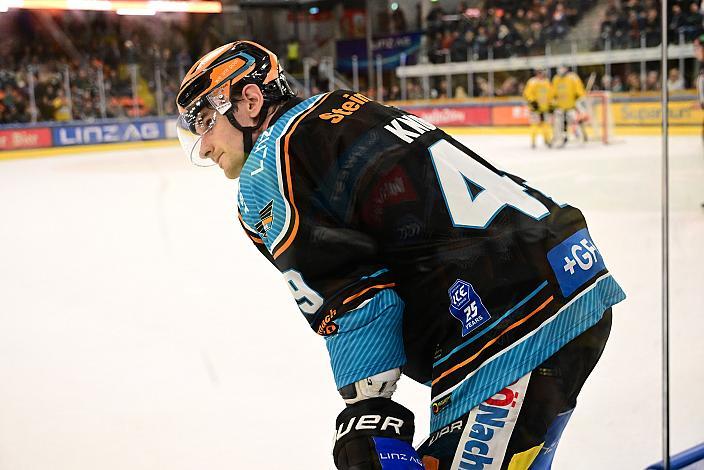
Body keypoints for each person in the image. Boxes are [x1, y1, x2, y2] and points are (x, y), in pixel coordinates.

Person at [176, 41, 626, 470]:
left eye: (205, 124)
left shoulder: (268, 164)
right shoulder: (344, 107)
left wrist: (368, 408)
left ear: (250, 101)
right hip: (567, 272)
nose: (205, 146)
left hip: (509, 321)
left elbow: (348, 292)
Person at [551, 65, 587, 147]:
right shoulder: (556, 79)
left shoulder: (573, 78)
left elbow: (579, 91)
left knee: (575, 122)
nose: (560, 70)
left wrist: (580, 98)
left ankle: (581, 137)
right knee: (558, 124)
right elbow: (553, 93)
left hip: (571, 106)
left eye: (562, 68)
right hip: (560, 107)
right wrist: (553, 102)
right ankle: (560, 139)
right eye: (559, 69)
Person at [522, 68, 554, 149]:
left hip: (545, 108)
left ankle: (547, 140)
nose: (541, 74)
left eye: (542, 72)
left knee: (546, 125)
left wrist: (551, 105)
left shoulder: (547, 82)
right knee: (535, 125)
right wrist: (533, 102)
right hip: (535, 108)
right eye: (539, 72)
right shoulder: (532, 82)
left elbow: (551, 94)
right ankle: (533, 142)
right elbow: (527, 94)